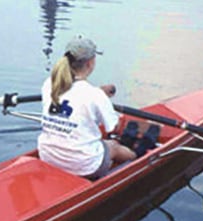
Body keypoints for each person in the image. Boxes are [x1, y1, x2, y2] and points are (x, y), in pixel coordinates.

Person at [38, 35, 135, 180]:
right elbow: (113, 128)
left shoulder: (50, 83)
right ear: (90, 63)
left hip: (47, 157)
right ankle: (139, 157)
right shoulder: (94, 95)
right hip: (84, 167)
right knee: (113, 146)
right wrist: (104, 103)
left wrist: (100, 94)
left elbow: (74, 95)